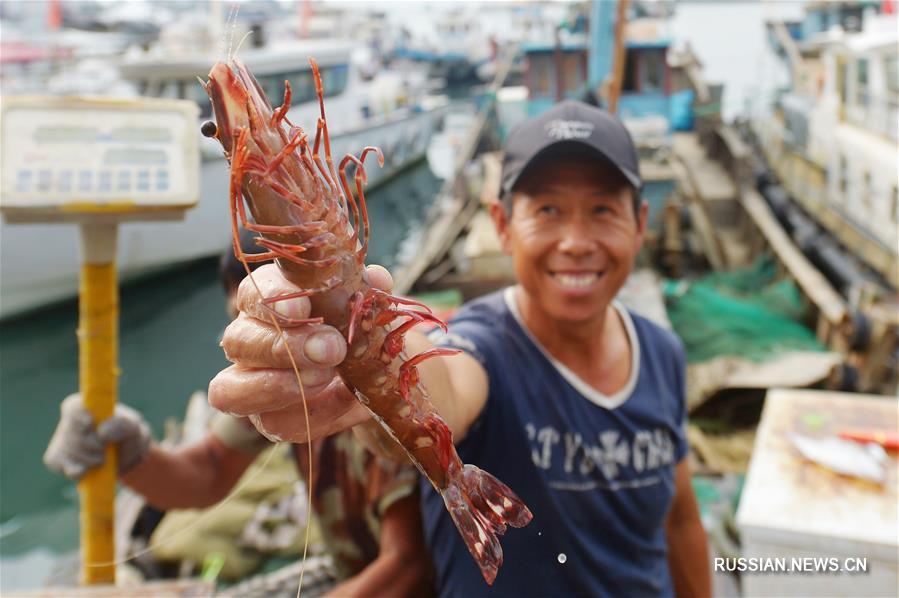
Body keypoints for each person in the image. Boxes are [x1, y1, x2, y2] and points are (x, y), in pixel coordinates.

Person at [208, 100, 711, 596]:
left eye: (602, 209)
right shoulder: (483, 343)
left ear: (640, 223)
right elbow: (445, 383)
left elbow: (682, 519)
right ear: (503, 225)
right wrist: (346, 341)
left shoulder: (662, 352)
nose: (576, 241)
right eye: (549, 210)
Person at [44, 232, 431, 596]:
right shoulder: (284, 383)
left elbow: (408, 567)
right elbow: (208, 471)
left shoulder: (385, 373)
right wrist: (129, 455)